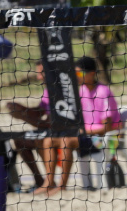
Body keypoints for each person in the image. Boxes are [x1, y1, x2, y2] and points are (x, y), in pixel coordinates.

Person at [39, 56, 121, 193]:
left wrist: (82, 131)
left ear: (92, 73)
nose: (76, 76)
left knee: (66, 141)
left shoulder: (103, 92)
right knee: (48, 141)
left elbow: (106, 128)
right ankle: (49, 182)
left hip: (106, 140)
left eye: (79, 73)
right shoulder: (80, 91)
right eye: (74, 73)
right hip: (86, 137)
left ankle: (62, 186)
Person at [6, 61, 50, 190]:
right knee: (20, 141)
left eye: (41, 73)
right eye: (38, 73)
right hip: (50, 133)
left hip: (64, 135)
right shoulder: (49, 90)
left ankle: (49, 181)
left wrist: (22, 116)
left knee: (41, 139)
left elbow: (48, 125)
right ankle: (40, 181)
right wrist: (20, 108)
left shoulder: (60, 90)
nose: (39, 77)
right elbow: (38, 112)